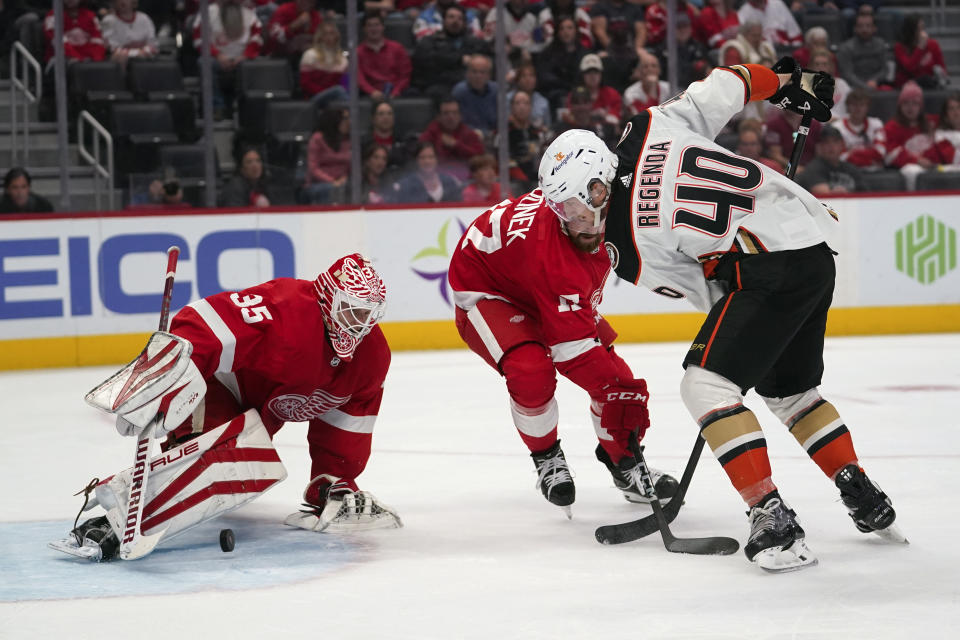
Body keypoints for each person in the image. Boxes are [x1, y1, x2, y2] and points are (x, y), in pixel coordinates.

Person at [602, 57, 903, 572]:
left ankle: (772, 517)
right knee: (790, 392)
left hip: (766, 269)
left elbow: (710, 294)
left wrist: (735, 341)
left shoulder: (624, 249)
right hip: (811, 246)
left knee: (705, 386)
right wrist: (788, 82)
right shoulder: (649, 126)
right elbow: (731, 83)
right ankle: (860, 490)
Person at [52, 253, 401, 561]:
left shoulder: (371, 358)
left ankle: (141, 503)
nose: (360, 324)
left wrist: (334, 480)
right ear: (327, 296)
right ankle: (110, 522)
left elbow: (348, 421)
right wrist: (169, 377)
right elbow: (205, 320)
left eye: (369, 315)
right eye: (353, 310)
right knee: (238, 462)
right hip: (213, 386)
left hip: (253, 415)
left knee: (249, 460)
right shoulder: (288, 308)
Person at [447, 129, 679, 516]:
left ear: (602, 187)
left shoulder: (625, 197)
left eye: (577, 207)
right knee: (531, 371)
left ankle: (623, 464)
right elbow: (570, 352)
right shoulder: (555, 251)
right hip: (488, 288)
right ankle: (547, 456)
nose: (574, 221)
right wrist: (622, 391)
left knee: (615, 379)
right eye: (563, 210)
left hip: (536, 283)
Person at [192, 0, 263, 120]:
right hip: (216, 58)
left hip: (242, 59)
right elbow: (199, 39)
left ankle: (244, 108)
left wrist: (244, 56)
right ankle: (217, 107)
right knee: (204, 63)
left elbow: (257, 39)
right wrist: (218, 55)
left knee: (252, 66)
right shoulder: (208, 12)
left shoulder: (249, 14)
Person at [411, 4, 491, 103]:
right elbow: (427, 64)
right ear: (443, 20)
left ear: (464, 22)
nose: (455, 21)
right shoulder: (429, 42)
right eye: (451, 17)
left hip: (471, 86)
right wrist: (459, 59)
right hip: (440, 86)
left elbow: (488, 62)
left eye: (459, 18)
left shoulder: (476, 43)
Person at [884, 81, 936, 191]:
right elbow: (890, 155)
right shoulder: (891, 127)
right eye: (906, 103)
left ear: (920, 107)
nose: (910, 107)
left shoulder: (931, 123)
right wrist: (916, 160)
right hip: (906, 168)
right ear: (900, 106)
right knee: (912, 171)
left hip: (933, 166)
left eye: (915, 103)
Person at [418, 96, 485, 181]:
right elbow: (421, 159)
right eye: (446, 113)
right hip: (437, 181)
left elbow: (480, 157)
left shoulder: (468, 133)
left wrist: (456, 145)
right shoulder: (430, 135)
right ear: (438, 117)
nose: (451, 117)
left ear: (460, 115)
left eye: (455, 113)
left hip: (467, 181)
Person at [357, 10, 412, 101]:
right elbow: (359, 78)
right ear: (364, 29)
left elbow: (404, 76)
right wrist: (371, 91)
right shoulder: (358, 52)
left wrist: (396, 91)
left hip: (397, 92)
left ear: (383, 27)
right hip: (369, 94)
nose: (373, 29)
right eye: (369, 25)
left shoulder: (397, 48)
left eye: (376, 25)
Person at [534, 15, 587, 110]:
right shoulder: (547, 54)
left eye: (570, 28)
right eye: (562, 28)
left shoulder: (585, 53)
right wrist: (565, 84)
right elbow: (544, 77)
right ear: (557, 33)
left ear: (576, 31)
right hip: (556, 95)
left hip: (581, 92)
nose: (566, 31)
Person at [796, 125, 864, 194]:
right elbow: (824, 194)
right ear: (820, 146)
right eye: (826, 142)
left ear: (842, 145)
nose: (831, 145)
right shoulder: (813, 168)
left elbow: (866, 194)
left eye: (835, 141)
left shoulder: (851, 169)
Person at [303, 107, 351, 205]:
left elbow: (351, 166)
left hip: (342, 182)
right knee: (330, 190)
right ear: (335, 120)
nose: (349, 122)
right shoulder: (317, 139)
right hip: (318, 184)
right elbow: (313, 168)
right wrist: (332, 182)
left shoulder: (349, 140)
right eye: (345, 118)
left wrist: (345, 179)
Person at [836, 11, 893, 91]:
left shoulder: (881, 44)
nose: (864, 29)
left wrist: (874, 80)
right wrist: (865, 87)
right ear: (855, 28)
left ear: (874, 28)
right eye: (860, 26)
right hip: (853, 88)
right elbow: (847, 74)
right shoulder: (846, 48)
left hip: (877, 85)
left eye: (868, 26)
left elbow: (885, 69)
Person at [392, 141, 461, 203]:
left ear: (436, 159)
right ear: (416, 160)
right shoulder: (405, 185)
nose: (427, 161)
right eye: (422, 157)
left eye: (431, 157)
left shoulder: (450, 182)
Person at [299, 21, 348, 108]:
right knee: (338, 91)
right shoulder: (310, 55)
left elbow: (344, 84)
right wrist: (327, 92)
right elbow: (305, 83)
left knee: (341, 92)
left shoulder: (342, 59)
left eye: (331, 33)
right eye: (325, 34)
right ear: (320, 36)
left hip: (335, 99)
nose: (329, 37)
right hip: (314, 98)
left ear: (336, 36)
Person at [43, 0, 106, 67]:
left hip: (88, 60)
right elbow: (58, 43)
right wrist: (78, 58)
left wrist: (95, 60)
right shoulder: (53, 16)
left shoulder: (90, 16)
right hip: (60, 62)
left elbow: (98, 42)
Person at [835, 88, 886, 170]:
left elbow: (881, 152)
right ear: (848, 106)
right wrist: (870, 157)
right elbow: (840, 157)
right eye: (854, 105)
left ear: (867, 107)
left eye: (862, 105)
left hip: (874, 172)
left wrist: (853, 153)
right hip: (848, 172)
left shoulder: (876, 124)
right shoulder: (838, 127)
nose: (858, 108)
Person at [893, 14, 947, 89]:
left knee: (927, 80)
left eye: (923, 28)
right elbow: (909, 67)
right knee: (925, 80)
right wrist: (920, 47)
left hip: (929, 85)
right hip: (906, 86)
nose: (922, 32)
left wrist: (940, 74)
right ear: (910, 31)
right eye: (919, 29)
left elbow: (942, 68)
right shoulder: (899, 47)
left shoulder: (933, 44)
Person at [452, 54, 497, 135]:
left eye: (482, 72)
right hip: (467, 138)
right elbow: (455, 122)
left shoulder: (496, 91)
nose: (478, 76)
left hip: (493, 138)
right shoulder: (459, 92)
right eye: (474, 72)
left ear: (489, 75)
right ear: (467, 74)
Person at [737, 0, 801, 48]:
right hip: (764, 52)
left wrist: (795, 48)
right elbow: (745, 41)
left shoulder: (777, 3)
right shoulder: (742, 13)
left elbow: (795, 33)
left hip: (787, 48)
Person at [623, 52, 669, 118]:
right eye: (645, 66)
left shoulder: (669, 89)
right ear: (639, 71)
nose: (650, 69)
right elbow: (642, 120)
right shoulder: (631, 94)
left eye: (654, 66)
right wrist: (652, 88)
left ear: (659, 70)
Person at [923, 93, 960, 170]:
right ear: (945, 115)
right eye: (951, 108)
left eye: (958, 107)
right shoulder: (940, 135)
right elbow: (953, 159)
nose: (956, 112)